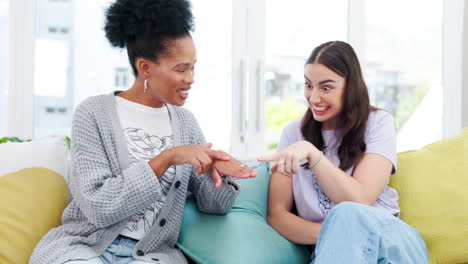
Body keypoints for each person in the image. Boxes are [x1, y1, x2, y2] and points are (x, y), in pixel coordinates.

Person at [30, 0, 256, 263]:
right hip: (85, 248)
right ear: (145, 67)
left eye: (193, 66)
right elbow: (98, 206)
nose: (191, 78)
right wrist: (167, 157)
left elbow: (215, 206)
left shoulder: (185, 123)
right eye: (181, 69)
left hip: (153, 256)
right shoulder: (93, 113)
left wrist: (216, 172)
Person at [258, 41, 429, 263]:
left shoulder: (378, 123)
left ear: (351, 87)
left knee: (347, 213)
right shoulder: (293, 134)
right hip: (337, 251)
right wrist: (339, 236)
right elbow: (278, 216)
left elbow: (360, 200)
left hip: (389, 241)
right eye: (309, 85)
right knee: (344, 222)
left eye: (326, 87)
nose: (314, 97)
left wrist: (313, 154)